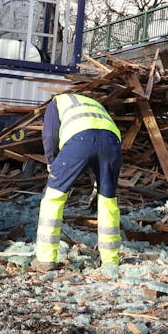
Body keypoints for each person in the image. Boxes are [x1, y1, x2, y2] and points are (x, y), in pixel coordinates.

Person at [33, 93, 123, 272]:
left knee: (53, 197)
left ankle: (45, 259)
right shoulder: (93, 102)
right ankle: (110, 260)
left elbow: (50, 135)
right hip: (112, 142)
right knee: (107, 200)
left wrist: (52, 164)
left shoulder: (56, 102)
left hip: (80, 139)